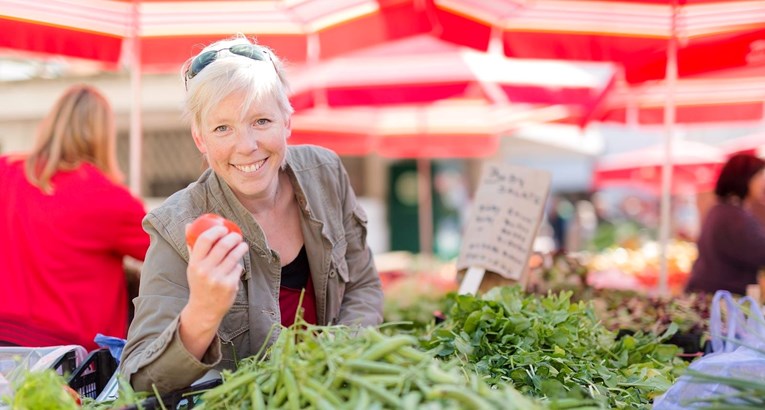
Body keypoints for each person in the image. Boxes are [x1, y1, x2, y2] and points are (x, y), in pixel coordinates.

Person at [120, 35, 384, 393]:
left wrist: (336, 359)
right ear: (200, 139)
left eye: (261, 121)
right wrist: (202, 314)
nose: (246, 146)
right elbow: (139, 379)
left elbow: (362, 285)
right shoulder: (175, 227)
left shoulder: (326, 174)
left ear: (287, 122)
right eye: (222, 128)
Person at [0, 85, 150, 351]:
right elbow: (167, 252)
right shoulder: (109, 198)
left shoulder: (5, 172)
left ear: (51, 123)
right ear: (104, 135)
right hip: (70, 360)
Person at [685, 153, 765, 295]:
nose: (763, 183)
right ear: (745, 178)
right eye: (760, 177)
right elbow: (760, 252)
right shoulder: (734, 216)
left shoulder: (722, 209)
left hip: (709, 293)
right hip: (721, 298)